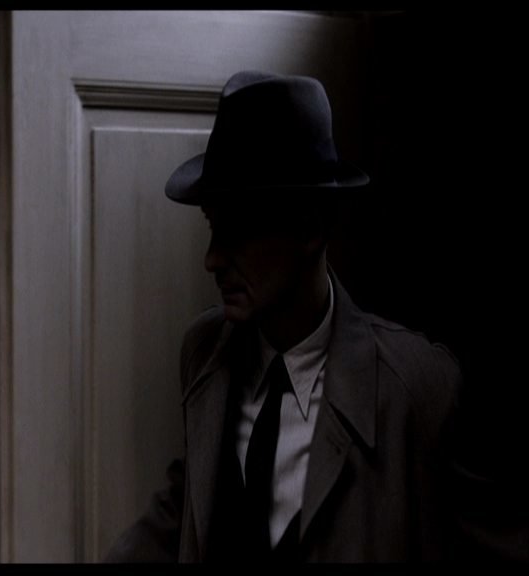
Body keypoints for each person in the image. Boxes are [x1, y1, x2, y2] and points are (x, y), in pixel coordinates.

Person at [105, 70, 472, 562]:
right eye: (213, 226)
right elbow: (192, 494)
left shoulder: (417, 387)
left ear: (310, 229)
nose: (212, 258)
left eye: (239, 229)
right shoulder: (204, 351)